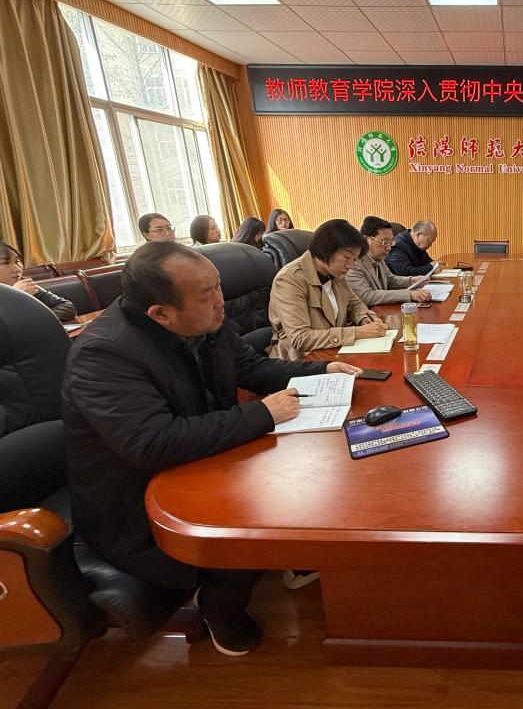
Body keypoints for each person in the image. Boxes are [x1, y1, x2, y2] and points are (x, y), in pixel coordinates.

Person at [62, 241, 362, 656]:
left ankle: (289, 558)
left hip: (199, 462)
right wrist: (262, 413)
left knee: (310, 473)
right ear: (161, 314)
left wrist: (321, 369)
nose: (222, 301)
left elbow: (253, 367)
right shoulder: (104, 354)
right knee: (257, 522)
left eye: (218, 286)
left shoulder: (204, 323)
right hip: (136, 502)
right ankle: (220, 607)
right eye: (207, 295)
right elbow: (154, 443)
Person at [269, 219, 386, 359]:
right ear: (326, 248)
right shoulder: (289, 279)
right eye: (347, 257)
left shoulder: (334, 272)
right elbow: (301, 338)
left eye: (354, 260)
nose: (350, 265)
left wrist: (364, 319)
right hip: (301, 359)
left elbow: (355, 304)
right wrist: (358, 332)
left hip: (333, 351)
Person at [346, 216, 432, 306]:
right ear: (366, 239)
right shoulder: (353, 263)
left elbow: (390, 280)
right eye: (385, 242)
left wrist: (411, 280)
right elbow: (367, 296)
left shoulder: (378, 257)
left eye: (391, 242)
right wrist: (409, 294)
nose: (389, 248)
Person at [0, 240, 77, 322]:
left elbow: (67, 307)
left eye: (17, 261)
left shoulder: (24, 284)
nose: (17, 269)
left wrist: (36, 320)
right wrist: (16, 297)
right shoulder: (18, 289)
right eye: (5, 263)